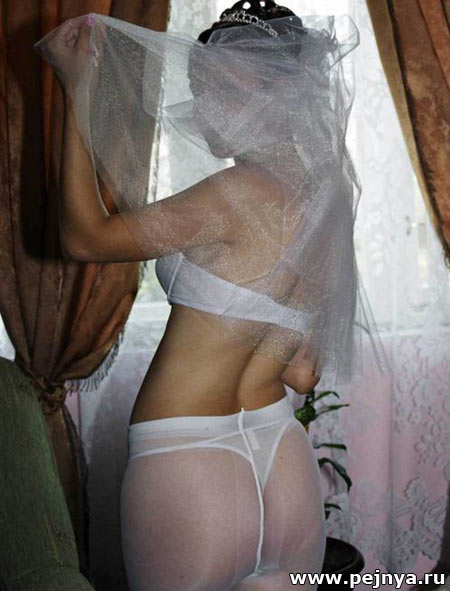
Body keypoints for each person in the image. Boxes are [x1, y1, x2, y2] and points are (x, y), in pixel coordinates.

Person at [34, 1, 389, 588]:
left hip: (188, 462)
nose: (200, 108)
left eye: (218, 89)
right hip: (283, 457)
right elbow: (303, 374)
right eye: (200, 89)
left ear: (271, 94)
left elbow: (84, 238)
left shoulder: (236, 191)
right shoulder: (325, 202)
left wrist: (78, 92)